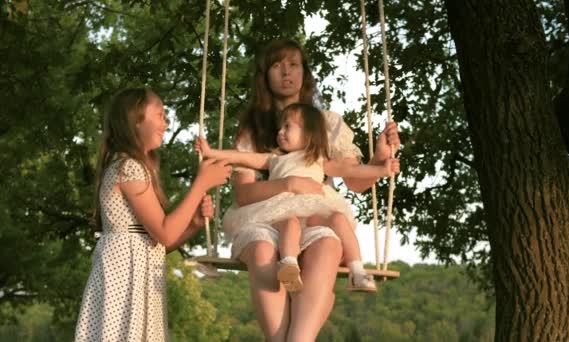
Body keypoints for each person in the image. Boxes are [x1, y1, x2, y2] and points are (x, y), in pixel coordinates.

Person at [226, 38, 401, 342]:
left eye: (293, 65)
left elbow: (355, 181)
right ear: (265, 76)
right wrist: (289, 183)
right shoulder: (253, 129)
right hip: (262, 218)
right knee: (264, 250)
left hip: (315, 215)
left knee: (328, 245)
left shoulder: (327, 124)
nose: (285, 72)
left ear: (304, 73)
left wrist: (380, 159)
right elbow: (244, 195)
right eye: (276, 66)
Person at [75, 88, 232, 341]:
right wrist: (200, 184)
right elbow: (165, 231)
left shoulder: (131, 167)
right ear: (136, 120)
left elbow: (159, 242)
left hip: (138, 276)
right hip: (123, 278)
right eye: (160, 115)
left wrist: (192, 224)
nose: (166, 123)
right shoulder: (128, 167)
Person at [196, 103, 399, 292]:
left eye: (287, 127)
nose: (280, 132)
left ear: (309, 134)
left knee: (338, 218)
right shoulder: (274, 159)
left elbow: (352, 171)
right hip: (284, 208)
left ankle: (358, 271)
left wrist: (382, 170)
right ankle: (289, 265)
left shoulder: (320, 160)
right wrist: (210, 152)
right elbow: (241, 157)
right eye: (280, 128)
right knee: (290, 223)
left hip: (315, 210)